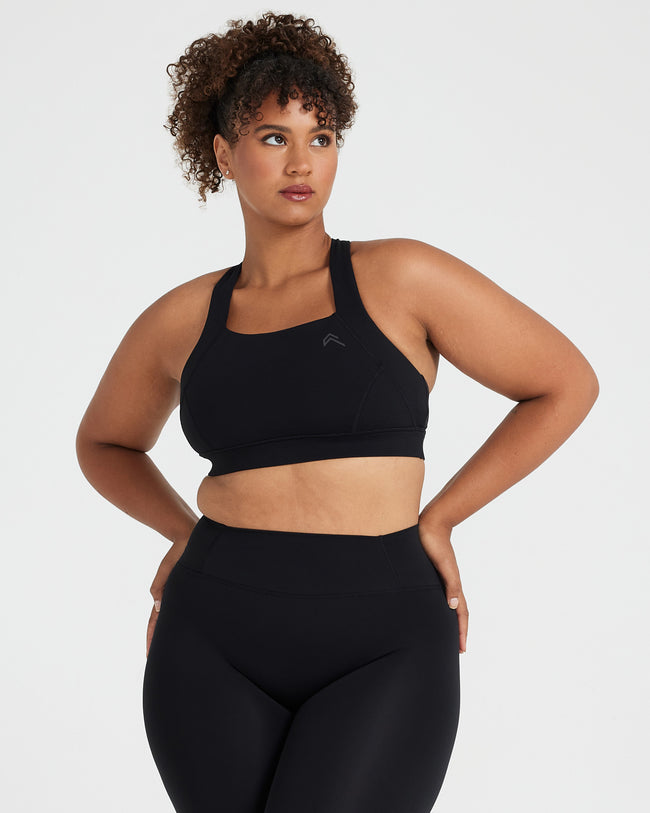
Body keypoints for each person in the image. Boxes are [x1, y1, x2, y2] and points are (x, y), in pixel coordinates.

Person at [75, 11, 599, 813]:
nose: (302, 162)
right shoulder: (183, 318)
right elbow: (105, 442)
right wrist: (183, 532)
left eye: (321, 138)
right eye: (273, 136)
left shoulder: (402, 278)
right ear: (223, 154)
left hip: (385, 638)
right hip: (212, 637)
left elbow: (565, 383)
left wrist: (442, 518)